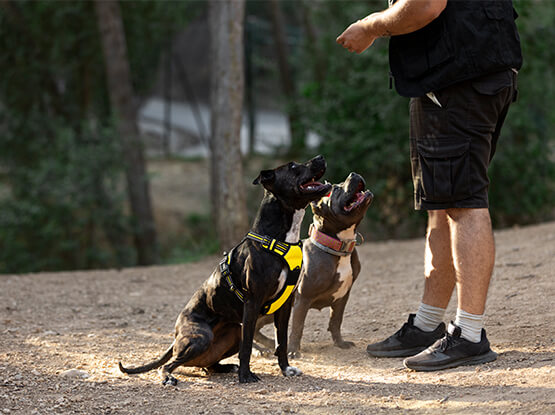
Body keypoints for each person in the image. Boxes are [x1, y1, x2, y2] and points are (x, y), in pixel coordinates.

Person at [337, 0, 522, 371]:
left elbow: (424, 5)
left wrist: (371, 25)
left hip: (457, 80)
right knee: (443, 204)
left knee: (464, 204)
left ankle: (469, 335)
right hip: (468, 75)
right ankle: (427, 323)